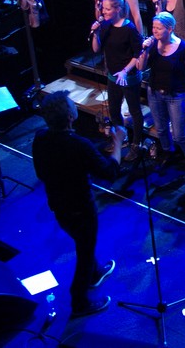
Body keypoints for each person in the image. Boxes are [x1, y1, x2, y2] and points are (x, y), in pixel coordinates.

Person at [32, 91, 120, 317]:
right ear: (70, 116)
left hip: (59, 206)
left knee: (83, 243)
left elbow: (41, 173)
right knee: (85, 250)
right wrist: (118, 143)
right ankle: (79, 302)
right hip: (81, 208)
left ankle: (95, 273)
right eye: (72, 104)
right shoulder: (79, 145)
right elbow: (109, 172)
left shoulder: (40, 138)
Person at [137, 13, 185, 179]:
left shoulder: (183, 48)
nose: (154, 31)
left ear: (170, 29)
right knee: (161, 129)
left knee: (179, 134)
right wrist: (144, 51)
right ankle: (168, 152)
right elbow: (140, 68)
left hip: (176, 95)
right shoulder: (152, 45)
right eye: (153, 27)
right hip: (155, 92)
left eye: (159, 28)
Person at [91, 0, 145, 153]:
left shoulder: (129, 29)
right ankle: (122, 139)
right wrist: (95, 33)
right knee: (114, 110)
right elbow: (96, 49)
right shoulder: (106, 26)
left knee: (134, 111)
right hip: (113, 76)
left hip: (128, 76)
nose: (103, 12)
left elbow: (138, 54)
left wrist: (124, 71)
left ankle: (137, 144)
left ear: (118, 9)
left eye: (107, 9)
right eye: (103, 8)